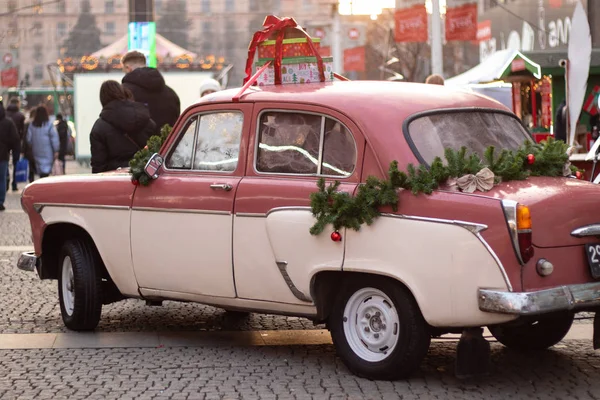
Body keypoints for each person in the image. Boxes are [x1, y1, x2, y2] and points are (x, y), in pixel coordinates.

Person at [90, 80, 157, 174]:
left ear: (103, 99)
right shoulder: (145, 120)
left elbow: (98, 166)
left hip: (115, 181)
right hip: (144, 178)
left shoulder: (99, 127)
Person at [121, 50, 180, 133]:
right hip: (167, 144)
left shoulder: (123, 92)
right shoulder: (171, 94)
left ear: (128, 68)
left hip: (135, 145)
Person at [26, 105, 59, 179]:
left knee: (40, 170)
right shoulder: (49, 125)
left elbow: (29, 139)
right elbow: (54, 138)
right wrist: (56, 150)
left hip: (36, 151)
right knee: (46, 171)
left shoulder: (32, 125)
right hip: (48, 152)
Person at [0, 101, 20, 211]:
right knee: (1, 179)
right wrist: (12, 149)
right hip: (3, 155)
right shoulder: (8, 122)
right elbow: (15, 139)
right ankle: (0, 201)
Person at [6, 98, 25, 191]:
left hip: (4, 142)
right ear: (17, 104)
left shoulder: (5, 114)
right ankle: (14, 183)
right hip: (16, 142)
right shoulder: (20, 116)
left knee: (4, 161)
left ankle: (6, 178)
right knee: (16, 162)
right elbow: (23, 131)